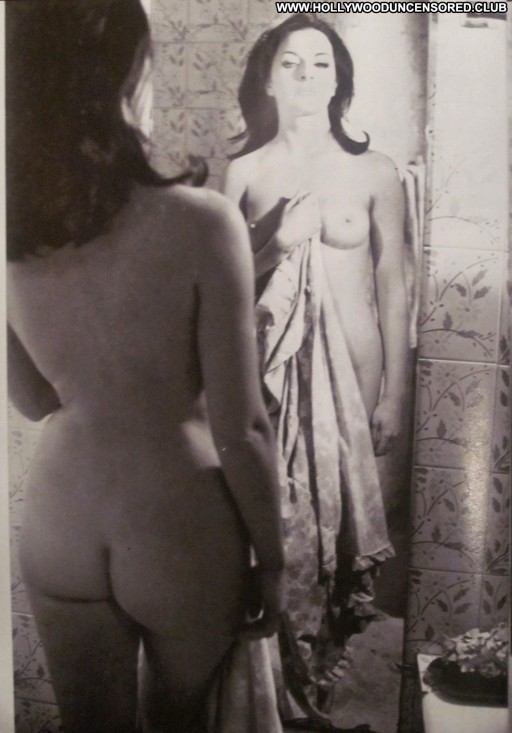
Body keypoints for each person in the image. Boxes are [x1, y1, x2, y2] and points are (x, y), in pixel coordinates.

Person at [6, 2, 284, 732]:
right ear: (132, 71)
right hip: (177, 516)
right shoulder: (202, 221)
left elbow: (32, 399)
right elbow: (243, 429)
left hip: (62, 513)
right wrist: (277, 561)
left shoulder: (12, 227)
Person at [222, 13, 408, 728]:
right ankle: (280, 706)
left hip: (357, 382)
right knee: (280, 537)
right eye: (291, 63)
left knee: (337, 543)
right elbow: (222, 289)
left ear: (340, 82)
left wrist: (394, 395)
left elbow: (393, 286)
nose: (306, 76)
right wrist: (276, 244)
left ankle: (319, 694)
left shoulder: (376, 171)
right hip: (269, 387)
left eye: (321, 63)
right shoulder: (245, 173)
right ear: (267, 81)